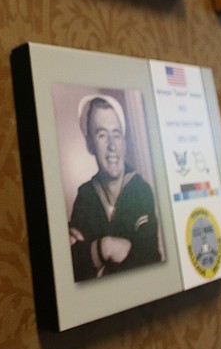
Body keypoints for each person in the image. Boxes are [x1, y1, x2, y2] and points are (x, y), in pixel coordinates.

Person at [69, 95, 161, 282]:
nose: (112, 146)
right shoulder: (85, 196)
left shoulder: (141, 191)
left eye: (116, 134)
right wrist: (106, 247)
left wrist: (92, 257)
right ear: (90, 144)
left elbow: (149, 262)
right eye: (102, 135)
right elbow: (73, 268)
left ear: (124, 142)